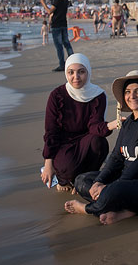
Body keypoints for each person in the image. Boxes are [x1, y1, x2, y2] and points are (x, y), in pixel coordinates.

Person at [65, 70, 138, 225]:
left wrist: (111, 188)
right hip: (131, 182)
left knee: (112, 192)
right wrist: (99, 182)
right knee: (82, 180)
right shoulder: (128, 123)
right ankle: (127, 209)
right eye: (128, 92)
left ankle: (89, 208)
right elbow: (116, 157)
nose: (132, 96)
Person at [41, 54, 114, 192]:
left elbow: (94, 127)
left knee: (100, 143)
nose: (76, 77)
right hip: (63, 143)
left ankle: (85, 178)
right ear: (66, 73)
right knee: (65, 168)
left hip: (87, 140)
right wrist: (48, 162)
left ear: (88, 72)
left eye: (81, 71)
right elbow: (51, 130)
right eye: (71, 72)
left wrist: (110, 125)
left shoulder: (97, 95)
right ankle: (65, 180)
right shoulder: (57, 95)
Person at [40, 0, 74, 72]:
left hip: (57, 25)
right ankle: (73, 62)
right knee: (67, 44)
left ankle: (62, 65)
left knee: (59, 46)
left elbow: (49, 11)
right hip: (64, 24)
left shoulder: (57, 0)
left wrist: (43, 3)